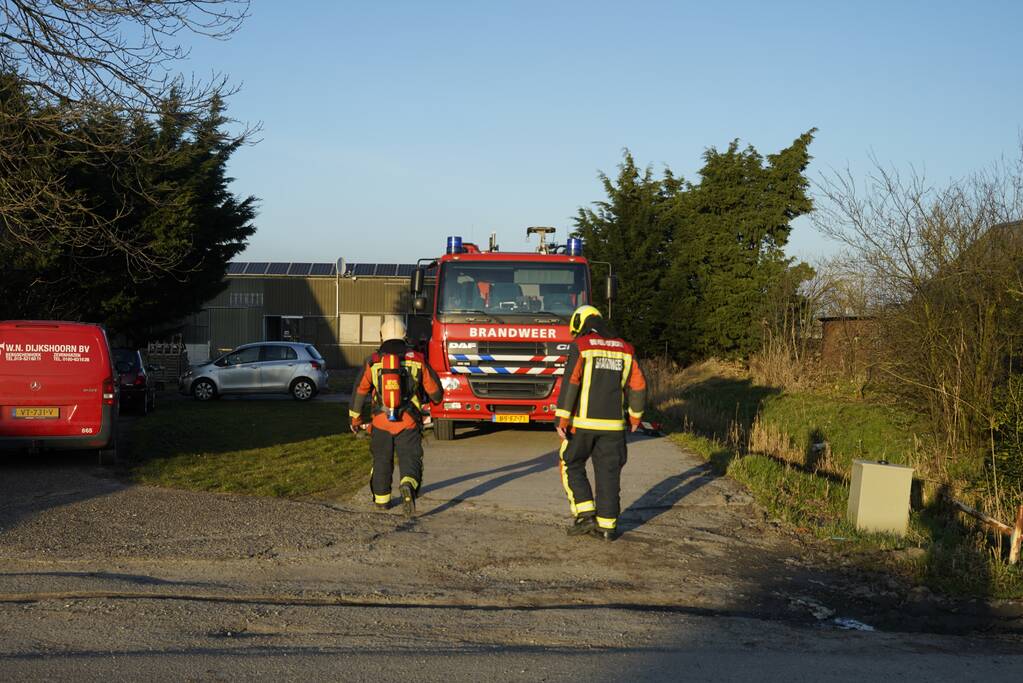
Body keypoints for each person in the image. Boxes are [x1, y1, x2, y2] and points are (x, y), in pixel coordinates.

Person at [554, 305, 647, 541]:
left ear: (580, 324)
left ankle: (585, 516)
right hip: (613, 427)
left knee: (570, 463)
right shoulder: (626, 348)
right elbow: (638, 384)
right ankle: (607, 527)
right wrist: (635, 417)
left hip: (582, 425)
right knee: (609, 473)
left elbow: (571, 382)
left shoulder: (581, 346)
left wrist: (562, 418)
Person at [349, 316, 442, 518]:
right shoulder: (417, 359)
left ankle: (382, 501)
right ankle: (408, 483)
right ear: (405, 335)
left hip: (380, 421)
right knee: (411, 459)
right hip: (408, 421)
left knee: (382, 460)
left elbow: (360, 391)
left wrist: (355, 419)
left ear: (381, 337)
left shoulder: (373, 361)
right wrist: (432, 403)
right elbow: (436, 392)